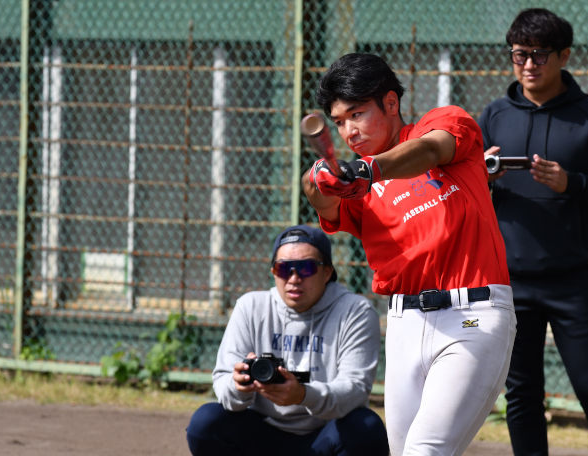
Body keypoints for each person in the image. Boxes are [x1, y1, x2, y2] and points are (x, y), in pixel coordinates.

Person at [302, 52, 517, 456]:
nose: (349, 131)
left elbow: (431, 150)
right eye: (339, 122)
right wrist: (318, 179)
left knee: (425, 449)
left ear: (390, 103)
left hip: (472, 315)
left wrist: (367, 171)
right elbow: (320, 197)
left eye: (357, 114)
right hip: (404, 322)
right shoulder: (357, 183)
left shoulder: (444, 122)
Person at [477, 8, 588, 456]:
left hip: (572, 279)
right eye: (519, 55)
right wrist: (480, 179)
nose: (528, 65)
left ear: (564, 56)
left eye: (540, 55)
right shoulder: (495, 114)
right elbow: (461, 191)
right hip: (510, 280)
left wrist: (572, 183)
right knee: (522, 393)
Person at [185, 224, 388, 455]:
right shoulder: (251, 307)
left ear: (328, 272)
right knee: (206, 422)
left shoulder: (355, 311)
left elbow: (355, 389)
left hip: (324, 435)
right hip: (262, 431)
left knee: (365, 427)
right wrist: (240, 387)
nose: (294, 278)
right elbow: (223, 383)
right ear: (273, 272)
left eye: (307, 268)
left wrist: (303, 395)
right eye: (284, 269)